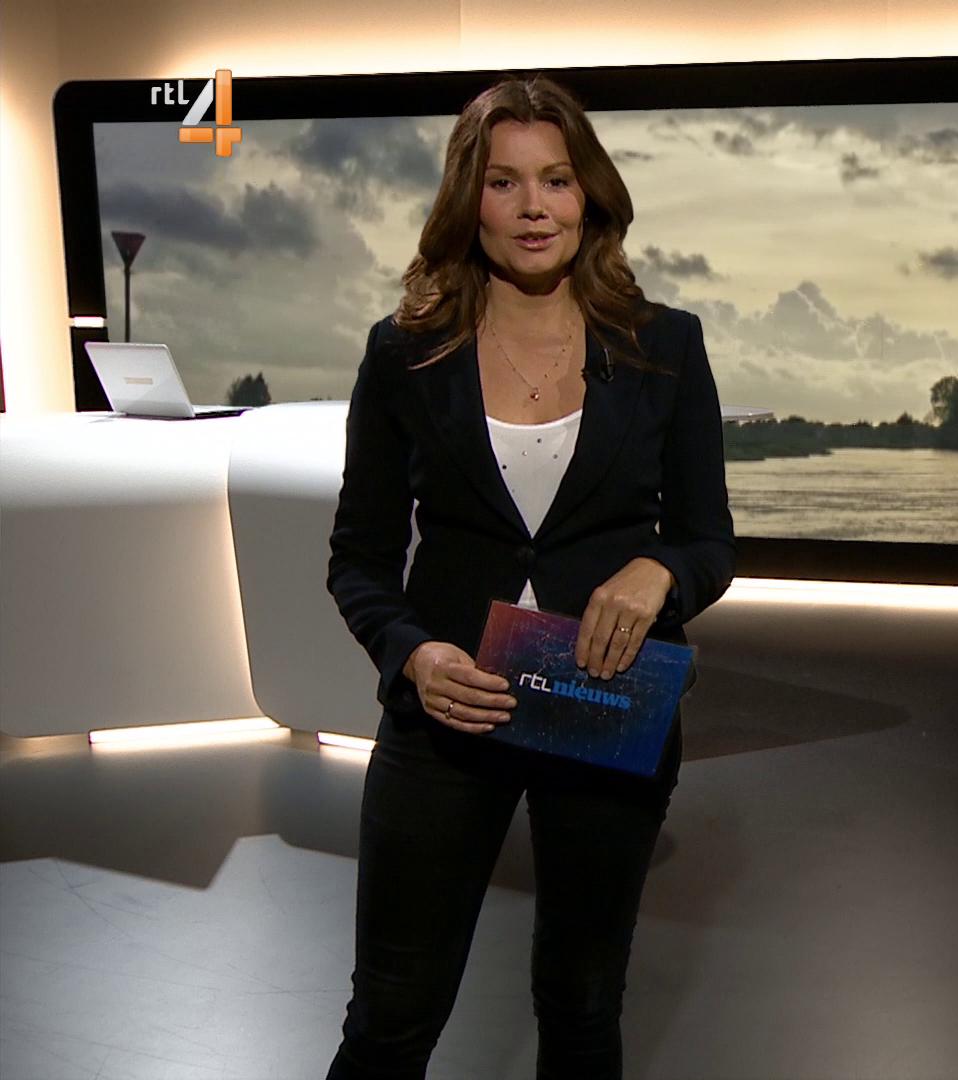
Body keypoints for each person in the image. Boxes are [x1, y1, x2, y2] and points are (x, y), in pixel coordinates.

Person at [324, 73, 734, 1078]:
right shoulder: (406, 354)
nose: (534, 207)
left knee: (583, 1006)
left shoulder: (664, 346)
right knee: (390, 1016)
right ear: (469, 201)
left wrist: (658, 573)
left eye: (555, 179)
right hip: (448, 712)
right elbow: (360, 559)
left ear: (589, 195)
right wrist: (413, 655)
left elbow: (708, 541)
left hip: (605, 703)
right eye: (504, 183)